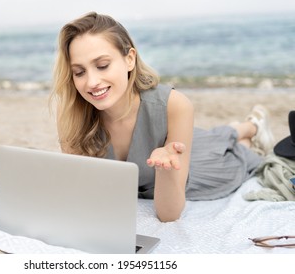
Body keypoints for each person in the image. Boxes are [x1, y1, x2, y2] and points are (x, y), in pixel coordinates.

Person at [49, 12, 275, 222]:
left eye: (102, 65)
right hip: (182, 146)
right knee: (207, 139)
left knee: (234, 157)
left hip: (190, 168)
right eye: (79, 72)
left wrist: (165, 170)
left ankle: (250, 128)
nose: (91, 82)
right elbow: (83, 191)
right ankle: (242, 128)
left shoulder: (175, 105)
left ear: (129, 59)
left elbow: (169, 215)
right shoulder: (70, 112)